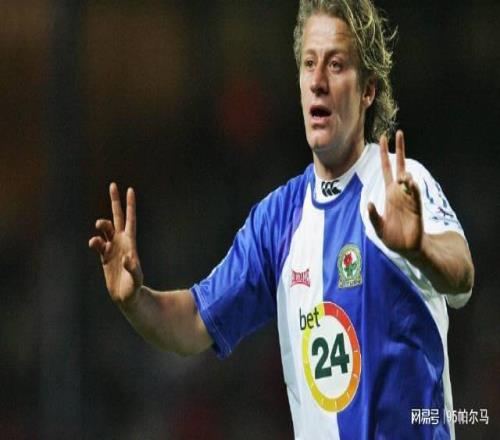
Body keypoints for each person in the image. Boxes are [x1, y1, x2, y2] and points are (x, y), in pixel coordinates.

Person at [89, 0, 474, 438]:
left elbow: (461, 276)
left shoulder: (400, 185)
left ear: (368, 89)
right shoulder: (277, 220)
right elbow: (193, 322)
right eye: (309, 64)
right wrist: (135, 301)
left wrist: (421, 248)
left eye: (336, 65)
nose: (318, 81)